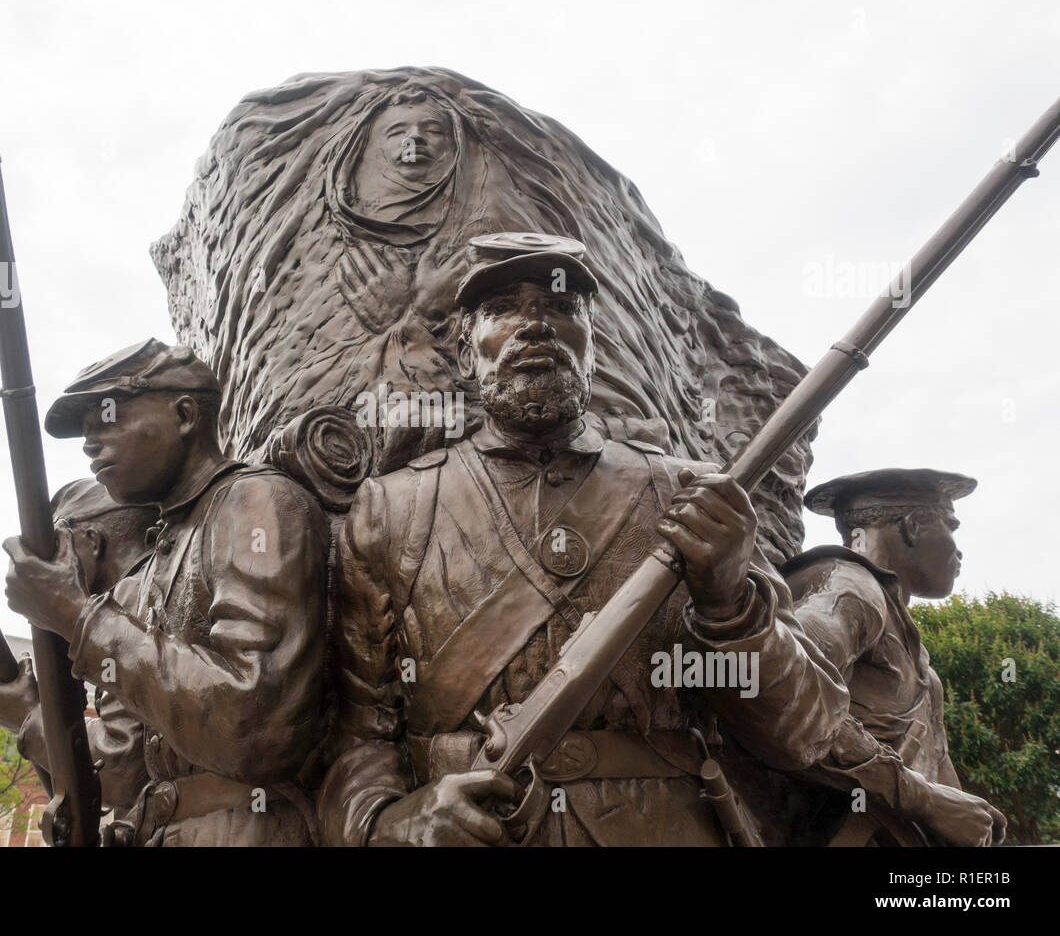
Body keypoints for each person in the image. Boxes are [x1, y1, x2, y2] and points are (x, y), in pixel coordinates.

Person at [318, 232, 849, 846]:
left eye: (562, 308)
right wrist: (390, 823)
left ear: (592, 346)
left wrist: (731, 607)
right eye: (503, 309)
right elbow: (360, 738)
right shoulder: (390, 510)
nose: (536, 326)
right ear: (466, 353)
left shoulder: (694, 494)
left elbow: (802, 734)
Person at [2, 339, 330, 846]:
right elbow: (128, 771)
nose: (90, 443)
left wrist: (73, 615)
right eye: (86, 431)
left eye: (108, 417)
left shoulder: (255, 502)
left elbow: (256, 725)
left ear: (183, 415)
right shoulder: (157, 564)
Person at [782, 468, 1006, 846]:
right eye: (952, 526)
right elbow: (786, 692)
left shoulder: (921, 664)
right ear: (915, 526)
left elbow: (944, 783)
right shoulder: (849, 590)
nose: (958, 548)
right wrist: (922, 798)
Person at [0, 478, 157, 820]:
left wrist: (29, 717)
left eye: (58, 545)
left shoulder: (133, 600)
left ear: (91, 541)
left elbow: (122, 768)